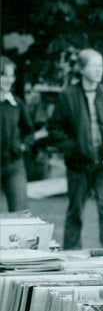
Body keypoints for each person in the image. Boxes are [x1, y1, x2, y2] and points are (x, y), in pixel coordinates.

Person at [49, 48, 103, 250]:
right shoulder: (67, 96)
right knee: (75, 212)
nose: (99, 70)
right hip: (78, 165)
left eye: (101, 66)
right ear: (82, 69)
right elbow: (55, 129)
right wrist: (74, 149)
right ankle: (71, 255)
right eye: (94, 66)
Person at [0, 56, 34, 212]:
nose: (8, 80)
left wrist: (23, 146)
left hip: (14, 166)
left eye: (11, 75)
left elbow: (29, 131)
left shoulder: (17, 104)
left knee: (20, 214)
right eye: (4, 75)